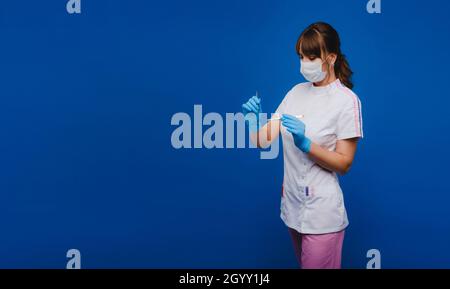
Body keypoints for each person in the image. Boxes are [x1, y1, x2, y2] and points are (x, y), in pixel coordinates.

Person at [242, 22, 364, 269]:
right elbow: (264, 141)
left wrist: (306, 144)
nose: (305, 63)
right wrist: (253, 123)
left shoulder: (347, 102)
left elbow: (344, 163)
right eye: (301, 56)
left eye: (311, 56)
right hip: (293, 208)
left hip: (322, 215)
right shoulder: (295, 92)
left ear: (331, 57)